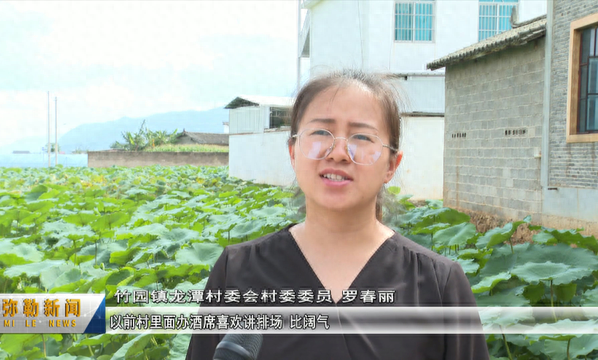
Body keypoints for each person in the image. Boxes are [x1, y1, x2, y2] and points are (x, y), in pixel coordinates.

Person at [185, 69, 489, 359]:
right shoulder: (236, 273)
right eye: (320, 132)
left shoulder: (437, 285)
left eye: (362, 137)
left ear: (391, 165)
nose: (338, 152)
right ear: (293, 152)